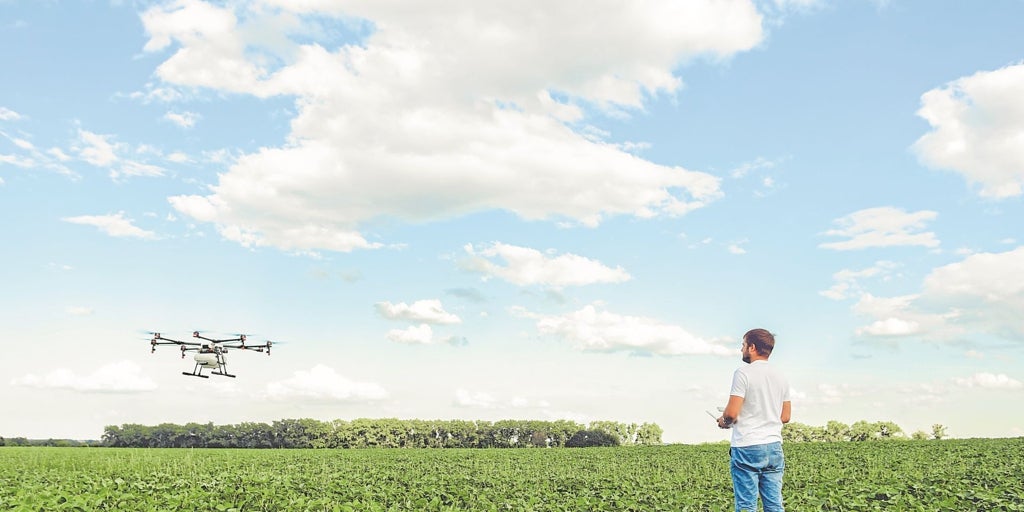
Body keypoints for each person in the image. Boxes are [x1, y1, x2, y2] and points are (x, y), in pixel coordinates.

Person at [717, 328, 792, 512]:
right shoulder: (780, 376)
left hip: (747, 446)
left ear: (752, 347)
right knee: (774, 505)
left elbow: (731, 414)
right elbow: (785, 416)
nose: (741, 349)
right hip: (774, 445)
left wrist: (723, 421)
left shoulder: (743, 373)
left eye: (743, 345)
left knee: (746, 506)